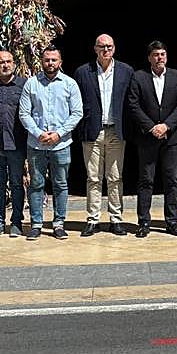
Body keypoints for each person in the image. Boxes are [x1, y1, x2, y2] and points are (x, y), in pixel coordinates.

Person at [18, 44, 84, 240]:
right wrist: (38, 133)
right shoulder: (31, 84)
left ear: (60, 62)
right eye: (47, 60)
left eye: (54, 60)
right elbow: (24, 113)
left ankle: (59, 223)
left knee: (60, 184)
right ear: (42, 61)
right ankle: (36, 224)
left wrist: (58, 134)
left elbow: (77, 113)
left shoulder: (70, 84)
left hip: (61, 144)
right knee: (36, 184)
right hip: (36, 144)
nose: (50, 63)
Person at [127, 41, 177, 238]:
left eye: (162, 54)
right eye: (155, 54)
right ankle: (144, 222)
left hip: (171, 138)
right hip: (147, 138)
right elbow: (133, 105)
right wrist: (152, 127)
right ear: (149, 58)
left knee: (172, 180)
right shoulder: (139, 76)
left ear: (166, 56)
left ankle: (172, 221)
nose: (159, 58)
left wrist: (166, 125)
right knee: (146, 180)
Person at [75, 33, 133, 237]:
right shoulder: (83, 72)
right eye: (102, 46)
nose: (106, 50)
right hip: (93, 131)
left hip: (116, 130)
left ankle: (116, 219)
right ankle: (93, 219)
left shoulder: (126, 71)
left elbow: (131, 102)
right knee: (93, 178)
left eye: (109, 46)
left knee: (115, 177)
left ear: (114, 48)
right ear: (95, 49)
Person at [0, 50, 28, 237]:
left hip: (17, 143)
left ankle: (16, 221)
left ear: (14, 63)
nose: (5, 65)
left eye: (8, 61)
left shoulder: (24, 85)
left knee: (17, 184)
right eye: (1, 62)